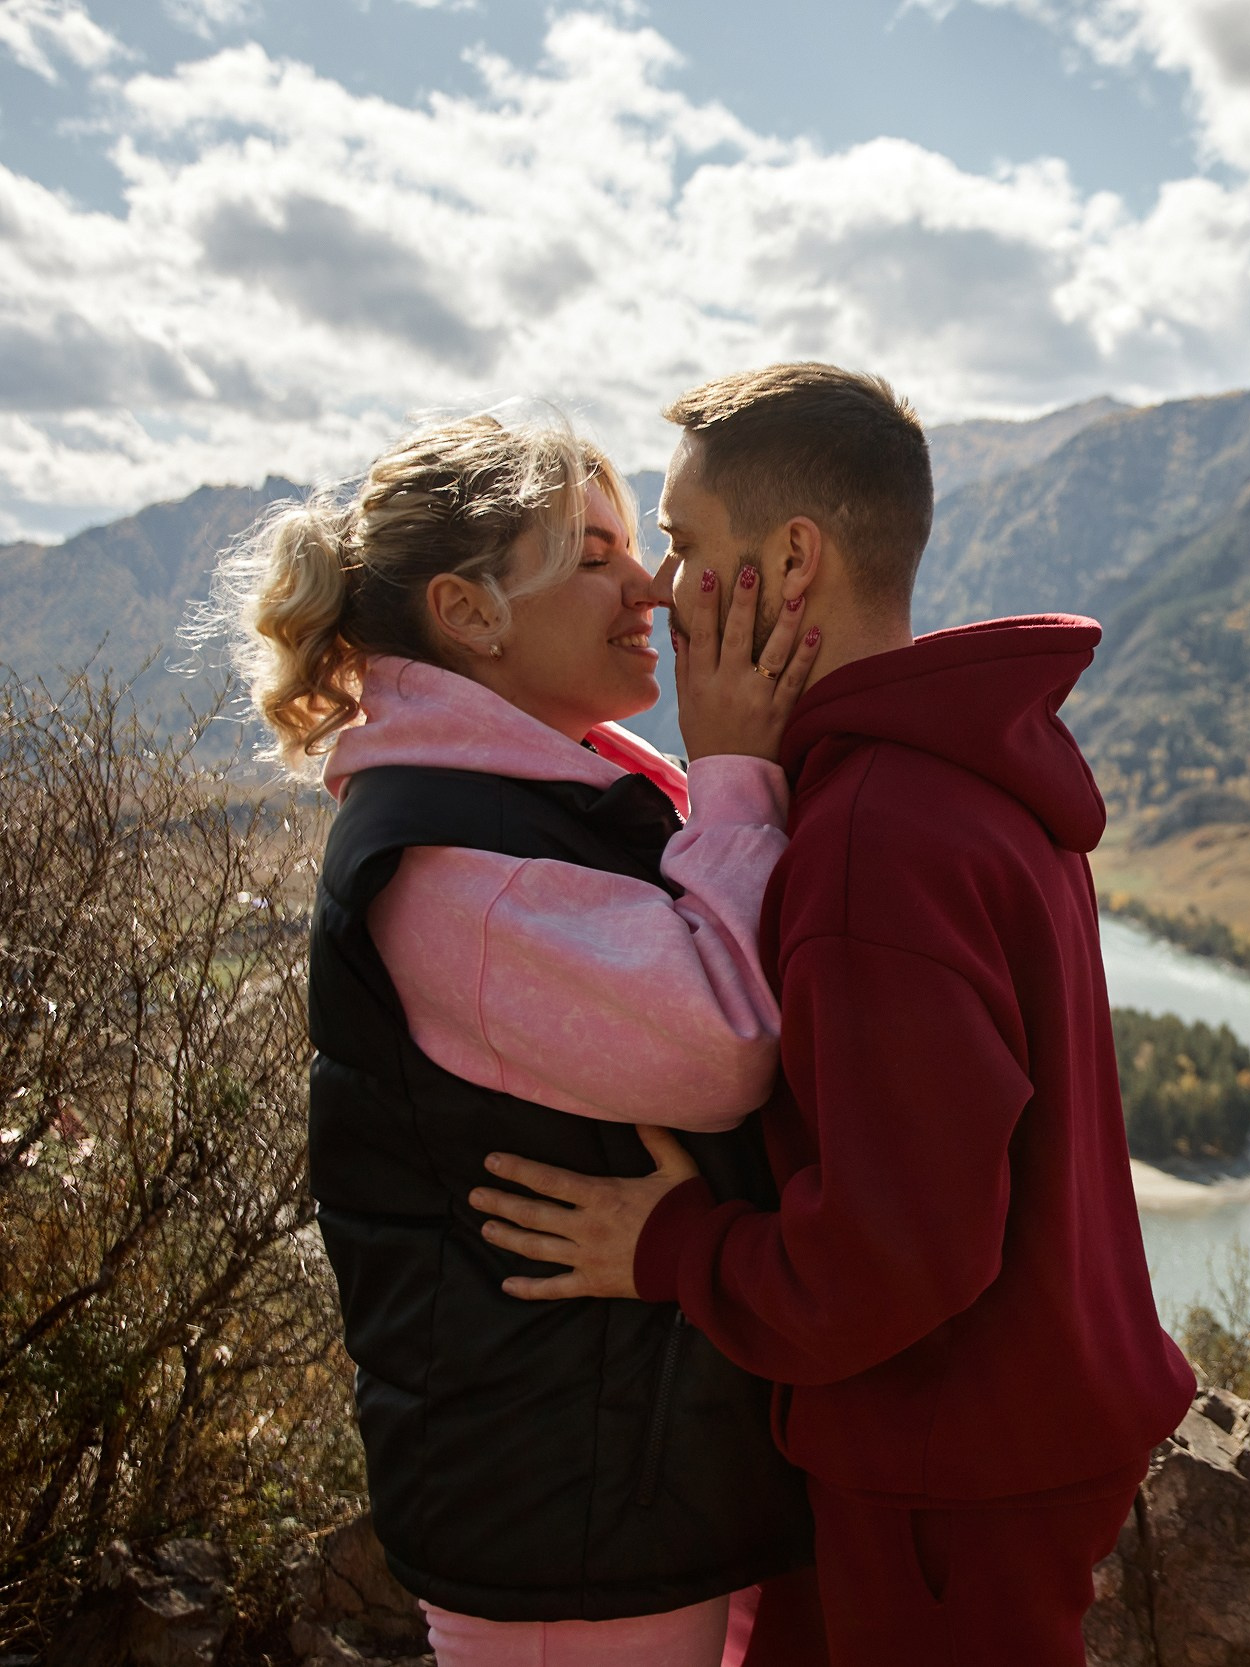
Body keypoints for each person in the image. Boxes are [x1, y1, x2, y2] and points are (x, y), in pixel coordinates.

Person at [470, 363, 1199, 1666]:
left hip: (946, 1472)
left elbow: (899, 1249)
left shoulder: (875, 837)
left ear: (789, 562)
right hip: (995, 1446)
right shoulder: (961, 781)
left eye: (687, 546)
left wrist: (675, 1244)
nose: (663, 589)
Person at [223, 411, 822, 1667]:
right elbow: (725, 1043)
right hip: (567, 1504)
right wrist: (738, 774)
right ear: (470, 611)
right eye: (593, 553)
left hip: (609, 1470)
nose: (649, 584)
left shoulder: (528, 797)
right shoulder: (457, 866)